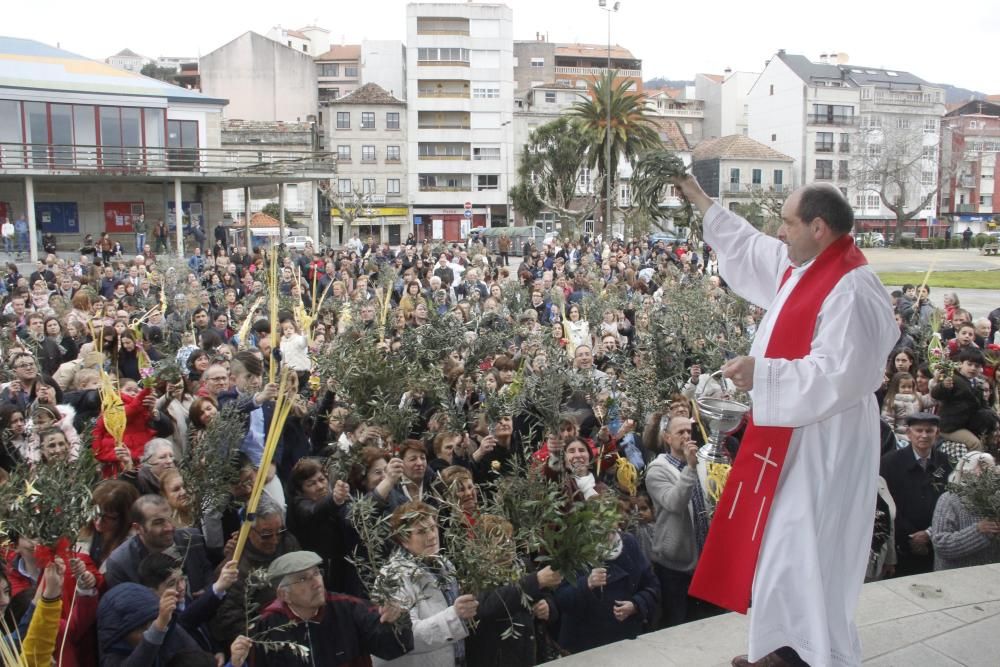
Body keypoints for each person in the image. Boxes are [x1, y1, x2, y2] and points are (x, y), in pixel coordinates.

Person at [673, 175, 897, 667]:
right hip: (789, 437)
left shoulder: (852, 288)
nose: (778, 231)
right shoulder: (805, 266)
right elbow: (750, 247)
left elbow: (841, 375)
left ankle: (808, 654)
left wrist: (763, 374)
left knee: (807, 551)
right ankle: (783, 646)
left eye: (788, 222)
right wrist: (695, 195)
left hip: (826, 442)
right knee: (780, 549)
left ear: (819, 227)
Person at [234, 550, 413, 667]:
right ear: (283, 594)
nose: (316, 583)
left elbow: (393, 648)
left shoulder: (348, 608)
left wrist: (398, 620)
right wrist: (235, 663)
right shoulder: (266, 628)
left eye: (316, 573)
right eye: (303, 579)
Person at [880, 412, 953, 577]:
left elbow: (950, 504)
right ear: (908, 433)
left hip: (935, 543)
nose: (924, 435)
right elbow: (885, 504)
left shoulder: (947, 463)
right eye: (919, 430)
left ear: (937, 433)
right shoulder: (889, 463)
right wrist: (911, 536)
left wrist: (928, 533)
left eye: (929, 431)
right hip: (901, 546)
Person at [929, 452, 1000, 570]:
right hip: (957, 578)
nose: (986, 478)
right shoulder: (949, 500)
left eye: (990, 473)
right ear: (965, 474)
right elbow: (941, 545)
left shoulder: (995, 500)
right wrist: (979, 531)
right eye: (980, 473)